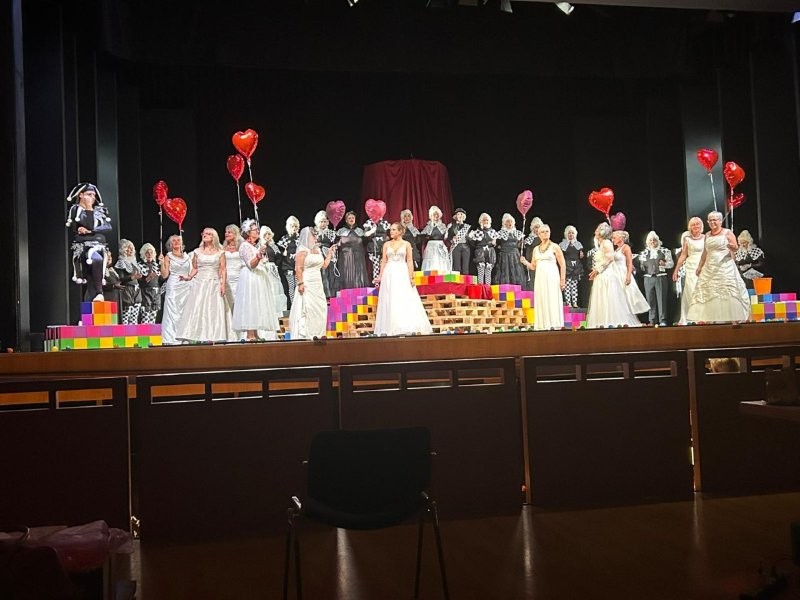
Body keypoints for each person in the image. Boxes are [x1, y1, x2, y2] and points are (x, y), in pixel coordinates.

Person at [687, 211, 750, 323]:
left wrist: (732, 247)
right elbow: (705, 252)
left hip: (725, 266)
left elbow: (736, 248)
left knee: (727, 289)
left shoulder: (727, 232)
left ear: (720, 221)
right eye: (710, 220)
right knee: (708, 291)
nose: (712, 222)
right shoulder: (707, 235)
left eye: (715, 220)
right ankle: (711, 318)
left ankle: (733, 318)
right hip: (710, 266)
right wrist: (700, 266)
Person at [374, 223, 433, 336]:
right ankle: (390, 326)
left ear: (400, 231)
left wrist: (411, 277)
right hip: (389, 273)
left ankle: (404, 325)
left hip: (402, 272)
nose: (391, 232)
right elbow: (383, 261)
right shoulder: (386, 244)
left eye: (394, 230)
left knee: (403, 296)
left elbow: (409, 261)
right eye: (391, 229)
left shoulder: (406, 244)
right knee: (390, 298)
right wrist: (380, 276)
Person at [176, 228, 233, 343]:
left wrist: (223, 284)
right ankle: (197, 335)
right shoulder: (197, 251)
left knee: (213, 309)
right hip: (200, 284)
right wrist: (189, 277)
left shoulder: (220, 252)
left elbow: (223, 269)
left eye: (208, 234)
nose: (205, 235)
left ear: (213, 237)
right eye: (204, 233)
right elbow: (195, 268)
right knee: (198, 308)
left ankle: (214, 335)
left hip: (214, 283)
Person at [586, 222, 641, 328]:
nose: (595, 232)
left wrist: (598, 269)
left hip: (606, 276)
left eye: (597, 230)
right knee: (601, 299)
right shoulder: (602, 244)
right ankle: (601, 322)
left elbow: (610, 258)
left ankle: (611, 322)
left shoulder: (606, 243)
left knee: (609, 299)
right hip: (601, 276)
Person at [288, 227, 337, 340]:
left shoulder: (317, 250)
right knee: (309, 308)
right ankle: (308, 335)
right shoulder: (302, 251)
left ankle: (319, 333)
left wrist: (329, 254)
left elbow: (323, 265)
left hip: (317, 283)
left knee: (321, 307)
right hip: (307, 283)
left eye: (315, 235)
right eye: (313, 235)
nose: (315, 237)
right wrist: (300, 283)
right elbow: (298, 268)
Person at [233, 219, 279, 341]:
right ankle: (250, 334)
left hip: (257, 277)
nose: (258, 231)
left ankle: (255, 333)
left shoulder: (253, 246)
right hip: (250, 277)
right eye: (255, 230)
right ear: (248, 232)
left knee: (256, 304)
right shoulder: (244, 246)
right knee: (250, 303)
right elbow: (251, 264)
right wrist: (259, 256)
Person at [65, 183, 112, 301]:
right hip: (84, 247)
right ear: (81, 195)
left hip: (100, 245)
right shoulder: (76, 210)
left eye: (94, 195)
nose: (92, 197)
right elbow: (87, 224)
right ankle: (100, 292)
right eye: (89, 194)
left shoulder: (100, 210)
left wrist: (91, 231)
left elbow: (107, 227)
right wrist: (89, 208)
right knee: (96, 260)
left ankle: (90, 307)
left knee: (92, 280)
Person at [521, 224, 566, 330]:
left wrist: (562, 280)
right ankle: (543, 325)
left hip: (552, 277)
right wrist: (525, 262)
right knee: (542, 299)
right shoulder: (536, 249)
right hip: (540, 278)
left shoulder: (555, 246)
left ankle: (554, 324)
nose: (545, 233)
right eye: (543, 232)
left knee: (552, 298)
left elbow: (563, 264)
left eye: (547, 231)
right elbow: (533, 266)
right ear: (539, 234)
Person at [159, 235, 193, 345]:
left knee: (185, 311)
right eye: (174, 240)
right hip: (174, 286)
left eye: (178, 240)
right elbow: (164, 275)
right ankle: (171, 338)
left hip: (186, 286)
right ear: (170, 244)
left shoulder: (187, 257)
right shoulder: (168, 256)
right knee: (172, 311)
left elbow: (191, 272)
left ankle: (185, 336)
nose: (176, 242)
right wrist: (162, 263)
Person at [672, 217, 705, 325]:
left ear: (701, 225)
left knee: (702, 291)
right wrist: (676, 270)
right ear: (690, 227)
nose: (696, 226)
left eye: (697, 224)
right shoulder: (687, 239)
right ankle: (690, 317)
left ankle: (702, 316)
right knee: (691, 290)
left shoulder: (706, 237)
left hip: (703, 266)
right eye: (693, 224)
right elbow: (683, 255)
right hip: (691, 268)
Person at [638, 231, 674, 325]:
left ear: (658, 241)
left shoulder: (664, 251)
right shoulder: (644, 253)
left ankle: (663, 320)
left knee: (661, 299)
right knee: (650, 300)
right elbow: (641, 267)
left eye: (654, 240)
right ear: (647, 242)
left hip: (660, 277)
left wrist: (665, 264)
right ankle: (652, 320)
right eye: (650, 240)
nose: (652, 242)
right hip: (648, 278)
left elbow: (671, 264)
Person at [611, 230, 649, 317]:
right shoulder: (616, 249)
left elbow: (629, 263)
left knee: (627, 294)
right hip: (616, 273)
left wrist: (628, 276)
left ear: (621, 238)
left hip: (623, 272)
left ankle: (628, 316)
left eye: (614, 238)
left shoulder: (626, 247)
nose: (613, 240)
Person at [336, 211, 370, 289]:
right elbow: (336, 243)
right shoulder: (341, 231)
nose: (351, 219)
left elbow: (365, 242)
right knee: (347, 273)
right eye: (349, 218)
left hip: (358, 257)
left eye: (353, 218)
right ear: (346, 220)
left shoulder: (360, 231)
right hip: (345, 257)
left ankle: (359, 291)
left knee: (358, 274)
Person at [260, 226, 288, 320]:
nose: (267, 236)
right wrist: (263, 261)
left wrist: (281, 256)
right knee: (269, 287)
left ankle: (277, 312)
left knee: (276, 288)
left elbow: (278, 258)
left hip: (273, 268)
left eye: (269, 234)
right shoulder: (260, 246)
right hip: (265, 268)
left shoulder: (273, 246)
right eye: (265, 234)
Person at [493, 213, 525, 285]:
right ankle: (505, 288)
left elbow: (519, 245)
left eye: (511, 221)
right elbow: (496, 244)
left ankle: (516, 288)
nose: (510, 223)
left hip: (515, 255)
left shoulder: (517, 233)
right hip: (504, 255)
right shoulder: (500, 233)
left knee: (516, 271)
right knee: (505, 271)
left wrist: (522, 243)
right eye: (508, 221)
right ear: (504, 223)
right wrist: (500, 247)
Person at [116, 239, 142, 324]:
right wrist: (131, 277)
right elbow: (120, 278)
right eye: (127, 248)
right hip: (127, 290)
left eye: (131, 248)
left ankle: (133, 331)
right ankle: (124, 331)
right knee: (126, 315)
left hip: (136, 290)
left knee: (134, 315)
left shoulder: (134, 263)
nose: (130, 250)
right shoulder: (121, 262)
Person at [314, 211, 339, 298]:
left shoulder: (331, 233)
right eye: (321, 221)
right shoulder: (314, 232)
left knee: (330, 273)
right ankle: (322, 295)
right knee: (321, 274)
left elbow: (335, 243)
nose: (323, 223)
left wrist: (334, 248)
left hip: (329, 254)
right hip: (318, 255)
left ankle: (331, 295)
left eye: (325, 221)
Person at [468, 213, 498, 285]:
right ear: (481, 221)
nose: (486, 222)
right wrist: (477, 246)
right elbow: (471, 240)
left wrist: (494, 243)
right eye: (484, 220)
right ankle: (480, 288)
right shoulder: (477, 231)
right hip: (480, 253)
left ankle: (487, 289)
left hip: (490, 253)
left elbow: (495, 242)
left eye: (487, 220)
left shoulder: (492, 231)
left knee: (488, 273)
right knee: (481, 272)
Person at [277, 216, 300, 307]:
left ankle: (299, 304)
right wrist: (283, 252)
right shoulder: (284, 239)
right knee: (291, 286)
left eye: (295, 226)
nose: (294, 228)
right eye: (292, 226)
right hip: (288, 266)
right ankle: (294, 304)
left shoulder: (300, 238)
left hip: (298, 266)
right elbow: (279, 252)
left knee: (298, 285)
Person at [559, 225, 584, 308]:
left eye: (572, 233)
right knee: (567, 285)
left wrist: (581, 255)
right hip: (567, 266)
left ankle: (575, 302)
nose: (571, 234)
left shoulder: (578, 244)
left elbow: (580, 255)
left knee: (574, 285)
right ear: (566, 234)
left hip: (576, 266)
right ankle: (568, 303)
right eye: (569, 233)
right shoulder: (562, 244)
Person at [420, 206, 451, 273]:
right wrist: (426, 236)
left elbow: (447, 236)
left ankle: (442, 275)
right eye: (434, 214)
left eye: (437, 214)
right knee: (432, 261)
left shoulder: (443, 226)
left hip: (440, 245)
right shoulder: (428, 226)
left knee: (441, 261)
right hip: (431, 246)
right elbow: (422, 235)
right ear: (431, 216)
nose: (436, 216)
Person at [363, 213, 390, 282]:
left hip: (383, 247)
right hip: (373, 248)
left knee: (384, 265)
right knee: (376, 265)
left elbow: (389, 234)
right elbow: (365, 234)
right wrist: (372, 230)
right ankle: (376, 282)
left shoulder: (384, 222)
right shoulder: (369, 222)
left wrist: (387, 238)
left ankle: (385, 281)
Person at [138, 243, 161, 325]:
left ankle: (152, 332)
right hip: (145, 292)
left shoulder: (157, 265)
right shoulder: (139, 265)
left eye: (151, 252)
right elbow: (139, 282)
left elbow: (162, 279)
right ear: (144, 254)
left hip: (156, 292)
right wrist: (149, 278)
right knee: (145, 315)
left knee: (153, 315)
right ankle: (144, 332)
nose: (149, 254)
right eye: (147, 252)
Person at [223, 224, 243, 312]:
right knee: (228, 300)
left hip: (239, 276)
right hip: (227, 277)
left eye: (229, 232)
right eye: (226, 232)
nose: (226, 234)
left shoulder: (242, 246)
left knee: (239, 299)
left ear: (235, 234)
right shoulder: (223, 247)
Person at [447, 208, 471, 275]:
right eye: (458, 214)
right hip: (456, 246)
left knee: (465, 266)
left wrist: (470, 237)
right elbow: (448, 237)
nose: (460, 215)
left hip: (466, 246)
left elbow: (470, 238)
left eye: (461, 214)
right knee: (457, 266)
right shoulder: (451, 226)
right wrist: (452, 239)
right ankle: (457, 280)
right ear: (455, 216)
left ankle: (466, 280)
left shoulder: (467, 227)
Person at [522, 217, 543, 292]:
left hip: (542, 262)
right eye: (535, 227)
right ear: (532, 228)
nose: (537, 229)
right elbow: (528, 252)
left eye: (538, 227)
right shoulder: (530, 239)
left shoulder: (544, 238)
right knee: (533, 278)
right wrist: (528, 263)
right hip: (533, 262)